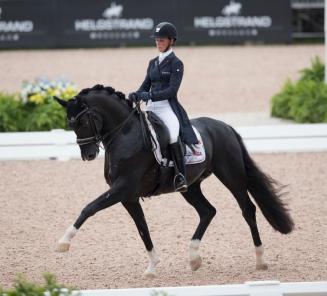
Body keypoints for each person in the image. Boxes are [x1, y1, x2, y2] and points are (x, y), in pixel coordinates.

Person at [128, 22, 198, 192]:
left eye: (161, 40)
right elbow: (145, 85)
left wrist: (149, 95)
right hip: (151, 107)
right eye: (157, 40)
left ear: (171, 41)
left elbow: (171, 90)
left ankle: (180, 176)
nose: (158, 42)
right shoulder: (152, 63)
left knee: (173, 134)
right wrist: (137, 94)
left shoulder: (176, 63)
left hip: (167, 107)